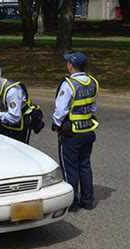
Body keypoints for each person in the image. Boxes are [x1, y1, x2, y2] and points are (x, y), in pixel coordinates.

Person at [52, 51, 99, 213]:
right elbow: (92, 107)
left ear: (71, 66)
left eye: (67, 63)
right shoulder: (93, 82)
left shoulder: (69, 84)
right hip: (88, 130)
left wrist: (56, 124)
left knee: (70, 168)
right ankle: (88, 200)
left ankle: (73, 203)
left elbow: (61, 110)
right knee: (85, 165)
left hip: (71, 133)